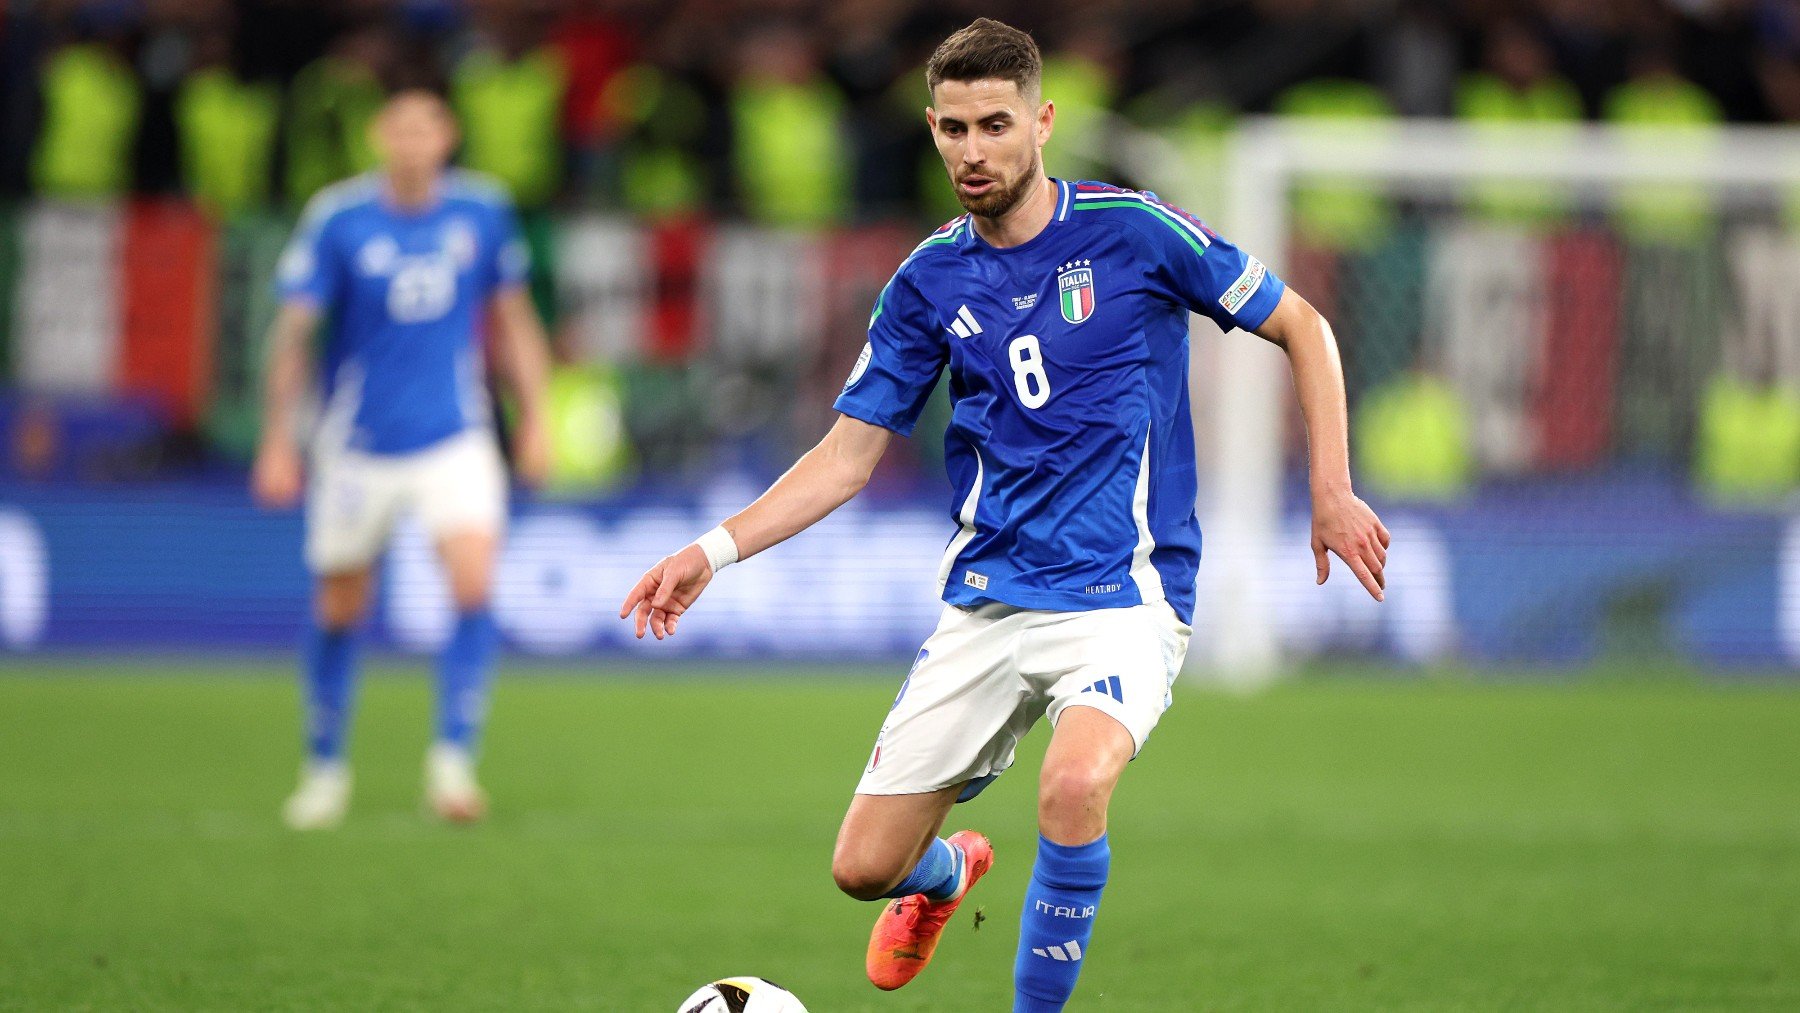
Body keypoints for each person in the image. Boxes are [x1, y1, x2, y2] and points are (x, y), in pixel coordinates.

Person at [619, 18, 1388, 1012]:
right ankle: (946, 876)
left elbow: (1302, 323)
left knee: (1072, 788)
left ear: (1042, 120)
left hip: (1125, 592)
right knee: (862, 867)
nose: (972, 151)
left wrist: (1330, 485)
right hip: (987, 598)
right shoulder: (928, 281)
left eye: (993, 124)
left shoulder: (1135, 231)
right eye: (952, 129)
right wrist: (712, 550)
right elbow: (847, 455)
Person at [253, 88, 552, 831]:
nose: (413, 142)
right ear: (379, 136)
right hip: (358, 444)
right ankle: (323, 766)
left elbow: (513, 320)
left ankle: (453, 763)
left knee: (474, 583)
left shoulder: (482, 211)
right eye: (400, 128)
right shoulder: (338, 218)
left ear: (447, 137)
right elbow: (294, 333)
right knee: (340, 605)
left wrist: (537, 419)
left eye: (427, 128)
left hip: (456, 434)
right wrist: (277, 438)